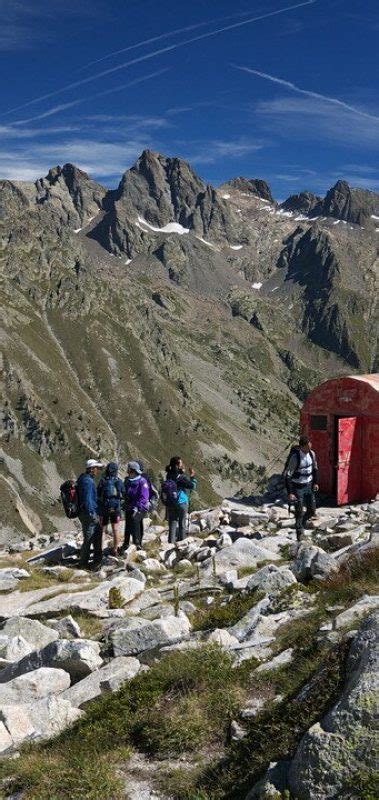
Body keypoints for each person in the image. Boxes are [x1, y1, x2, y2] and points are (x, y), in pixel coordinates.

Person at [284, 435, 319, 540]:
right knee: (299, 510)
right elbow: (288, 475)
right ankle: (299, 534)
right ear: (302, 447)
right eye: (308, 446)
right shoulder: (295, 458)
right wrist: (290, 493)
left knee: (312, 510)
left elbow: (315, 469)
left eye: (310, 445)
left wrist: (316, 483)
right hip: (298, 486)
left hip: (309, 485)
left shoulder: (312, 454)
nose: (310, 448)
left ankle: (301, 524)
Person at [76, 458, 104, 569]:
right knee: (89, 538)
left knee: (96, 534)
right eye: (97, 468)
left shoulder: (83, 478)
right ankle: (83, 564)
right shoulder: (88, 481)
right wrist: (92, 514)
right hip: (89, 513)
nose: (98, 470)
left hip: (85, 512)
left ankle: (97, 559)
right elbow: (88, 500)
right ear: (91, 469)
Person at [164, 456, 197, 544]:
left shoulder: (168, 475)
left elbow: (175, 477)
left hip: (171, 502)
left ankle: (170, 544)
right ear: (177, 465)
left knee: (172, 523)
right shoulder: (181, 477)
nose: (182, 465)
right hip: (181, 502)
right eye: (181, 463)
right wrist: (192, 477)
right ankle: (181, 544)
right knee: (182, 524)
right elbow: (192, 486)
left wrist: (181, 472)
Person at [97, 462, 124, 555]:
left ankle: (99, 550)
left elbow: (98, 494)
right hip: (115, 509)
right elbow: (123, 494)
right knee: (115, 529)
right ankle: (115, 550)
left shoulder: (102, 481)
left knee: (102, 530)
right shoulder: (119, 481)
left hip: (104, 508)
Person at [121, 461, 150, 551]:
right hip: (129, 506)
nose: (128, 473)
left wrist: (138, 507)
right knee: (128, 525)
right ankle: (126, 544)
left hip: (139, 507)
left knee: (135, 523)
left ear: (134, 471)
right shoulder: (128, 481)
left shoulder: (142, 481)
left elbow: (144, 497)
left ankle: (137, 544)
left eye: (130, 471)